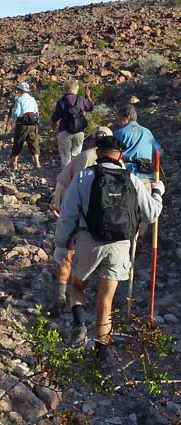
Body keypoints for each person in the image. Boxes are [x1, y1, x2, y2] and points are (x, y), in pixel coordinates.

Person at [54, 136, 164, 360]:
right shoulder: (131, 179)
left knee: (77, 286)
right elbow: (151, 213)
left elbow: (68, 216)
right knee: (106, 300)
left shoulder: (84, 177)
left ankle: (80, 323)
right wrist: (157, 192)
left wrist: (61, 244)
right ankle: (100, 356)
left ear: (98, 153)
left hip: (88, 241)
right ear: (120, 156)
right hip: (120, 245)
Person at [48, 127, 113, 317]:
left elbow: (62, 182)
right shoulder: (118, 163)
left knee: (64, 254)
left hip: (76, 216)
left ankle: (62, 294)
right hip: (104, 224)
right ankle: (92, 304)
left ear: (93, 140)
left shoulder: (84, 157)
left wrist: (58, 205)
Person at [51, 80, 94, 169]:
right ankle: (76, 175)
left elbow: (56, 116)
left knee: (65, 156)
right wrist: (88, 97)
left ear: (65, 89)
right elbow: (90, 108)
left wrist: (53, 124)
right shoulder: (81, 99)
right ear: (75, 89)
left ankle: (66, 177)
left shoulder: (61, 101)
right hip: (79, 131)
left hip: (64, 131)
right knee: (76, 154)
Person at [114, 104, 161, 183]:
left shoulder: (120, 133)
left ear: (127, 117)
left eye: (119, 119)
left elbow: (113, 154)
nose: (118, 123)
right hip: (147, 175)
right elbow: (157, 151)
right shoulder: (147, 132)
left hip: (128, 175)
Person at [10, 82, 40, 170]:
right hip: (33, 124)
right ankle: (36, 162)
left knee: (18, 142)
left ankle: (14, 163)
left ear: (21, 90)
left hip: (22, 124)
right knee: (34, 143)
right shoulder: (32, 99)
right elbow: (36, 112)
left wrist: (12, 117)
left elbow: (17, 113)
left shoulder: (19, 99)